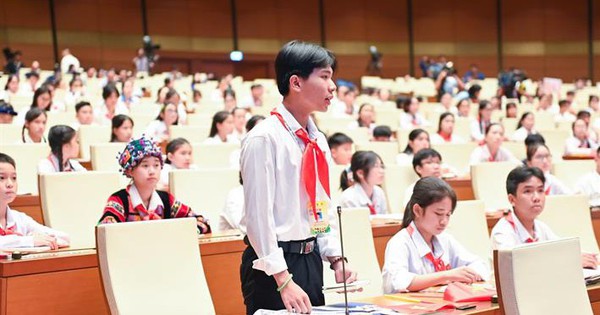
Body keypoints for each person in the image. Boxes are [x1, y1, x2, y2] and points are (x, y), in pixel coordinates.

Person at [240, 40, 356, 314]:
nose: (333, 86)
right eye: (325, 76)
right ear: (296, 82)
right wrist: (282, 279)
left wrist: (335, 257)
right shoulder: (263, 138)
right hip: (271, 266)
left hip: (309, 258)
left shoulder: (318, 140)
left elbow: (319, 206)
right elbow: (258, 217)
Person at [382, 177, 490, 293]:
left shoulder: (445, 239)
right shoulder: (400, 242)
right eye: (438, 213)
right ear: (417, 210)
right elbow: (398, 281)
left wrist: (465, 274)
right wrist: (446, 276)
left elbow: (480, 265)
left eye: (448, 215)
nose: (444, 221)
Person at [98, 136, 211, 234]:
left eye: (156, 165)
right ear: (130, 171)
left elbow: (201, 222)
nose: (152, 171)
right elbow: (106, 230)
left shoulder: (166, 199)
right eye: (145, 165)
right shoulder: (120, 199)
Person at [490, 166, 598, 268]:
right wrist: (569, 260)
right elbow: (518, 267)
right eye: (528, 191)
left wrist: (581, 256)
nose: (536, 197)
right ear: (512, 200)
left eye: (540, 190)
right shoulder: (502, 232)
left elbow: (562, 249)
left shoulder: (541, 227)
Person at [0, 153, 70, 249]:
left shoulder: (20, 218)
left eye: (14, 178)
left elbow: (64, 237)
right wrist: (29, 240)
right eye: (2, 178)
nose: (10, 184)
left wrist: (39, 238)